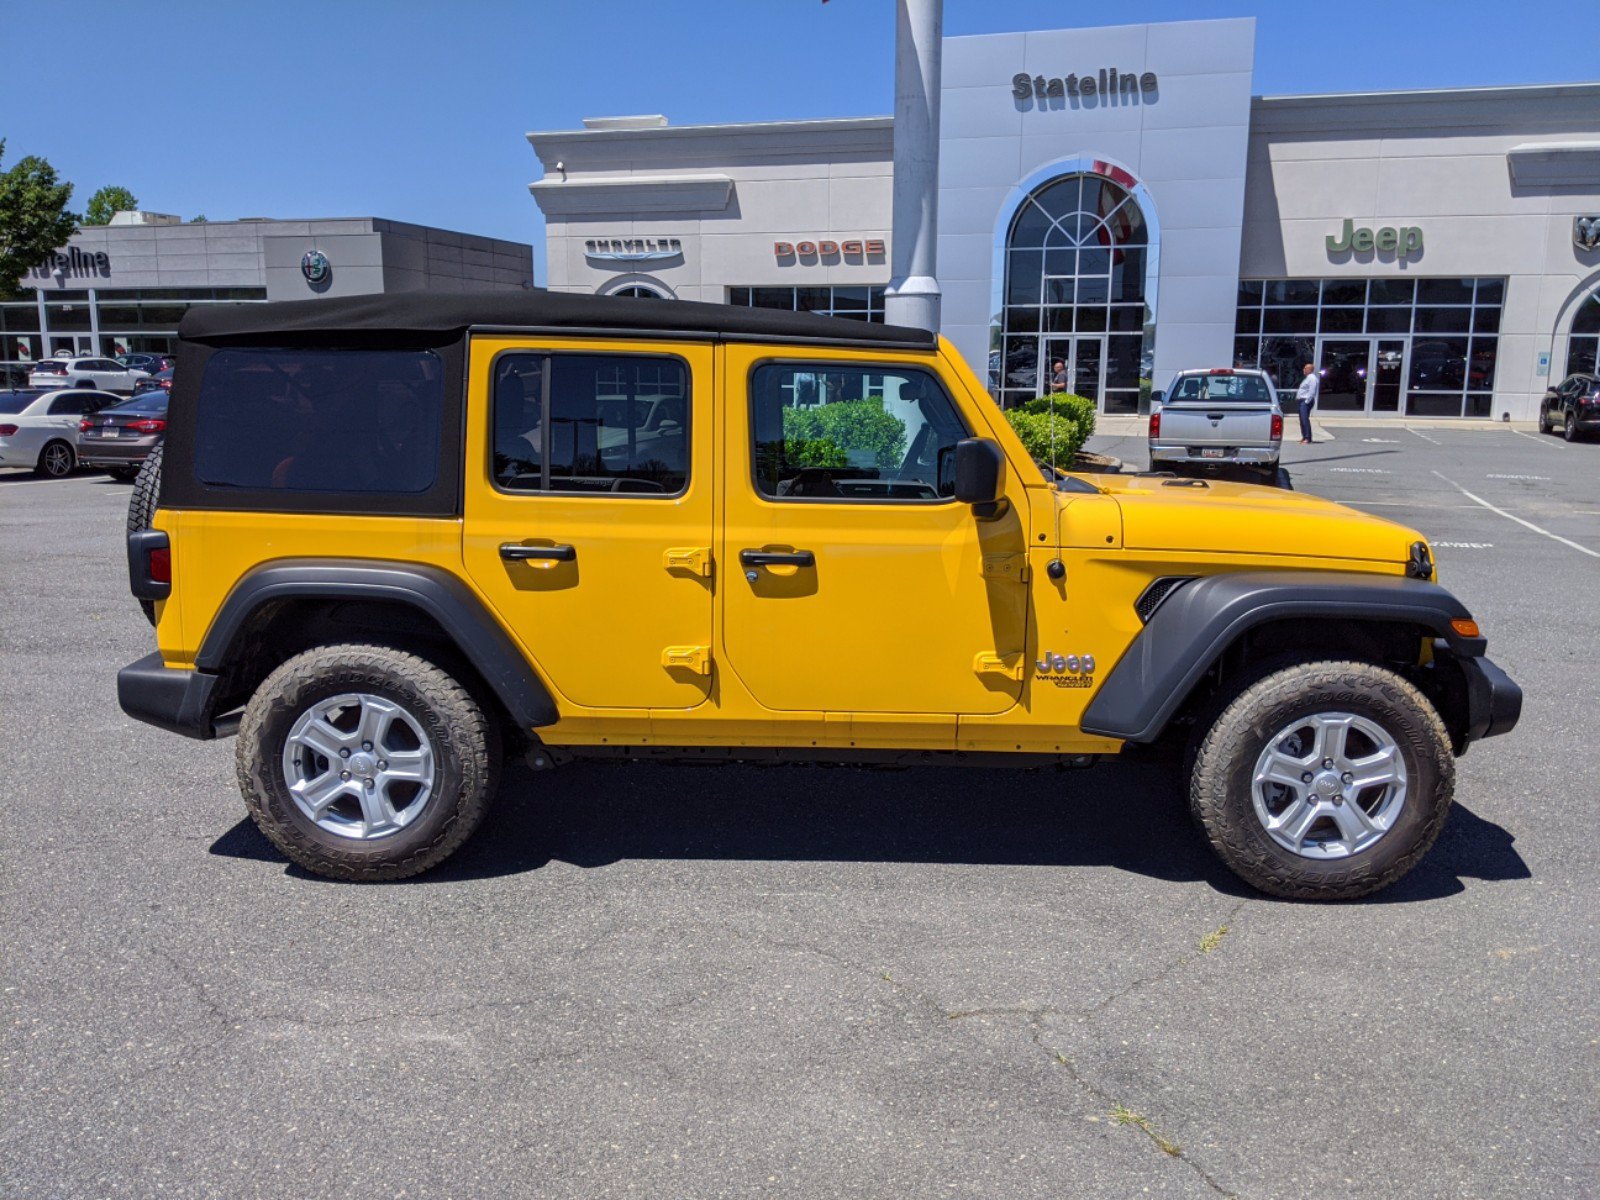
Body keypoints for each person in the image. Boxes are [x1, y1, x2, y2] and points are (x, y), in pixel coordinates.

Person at [1295, 362, 1320, 444]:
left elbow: (1312, 391)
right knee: (1302, 420)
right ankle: (1304, 436)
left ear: (1310, 369)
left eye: (1305, 368)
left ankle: (1307, 438)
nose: (1304, 369)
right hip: (1302, 401)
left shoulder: (1312, 378)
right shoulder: (1307, 378)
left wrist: (1306, 401)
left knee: (1305, 419)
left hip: (1306, 401)